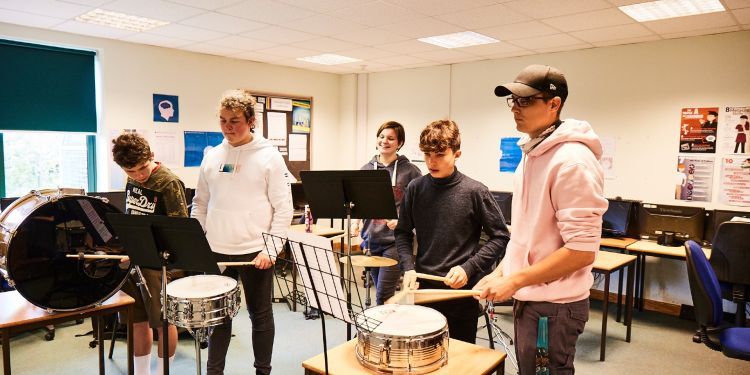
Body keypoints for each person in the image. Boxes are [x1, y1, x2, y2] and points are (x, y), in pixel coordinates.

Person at [477, 64, 607, 374]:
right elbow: (527, 235)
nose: (515, 109)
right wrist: (502, 272)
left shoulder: (572, 161)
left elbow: (581, 251)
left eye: (525, 101)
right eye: (513, 101)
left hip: (555, 308)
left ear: (554, 104)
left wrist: (515, 280)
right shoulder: (533, 154)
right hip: (532, 297)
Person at [191, 89, 293, 375]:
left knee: (259, 316)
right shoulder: (212, 156)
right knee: (219, 318)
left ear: (251, 121)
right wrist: (199, 243)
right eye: (223, 121)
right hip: (216, 250)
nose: (228, 127)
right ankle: (215, 372)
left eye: (234, 121)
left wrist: (271, 250)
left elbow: (284, 208)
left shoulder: (269, 156)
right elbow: (199, 203)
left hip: (255, 252)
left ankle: (263, 371)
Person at [394, 119, 509, 344]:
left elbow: (500, 237)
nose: (431, 161)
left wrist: (469, 268)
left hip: (459, 291)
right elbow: (403, 232)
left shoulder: (475, 191)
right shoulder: (416, 189)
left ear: (457, 154)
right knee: (424, 354)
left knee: (459, 359)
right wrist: (407, 267)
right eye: (427, 154)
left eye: (439, 155)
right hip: (423, 287)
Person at [111, 132, 189, 375]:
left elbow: (180, 232)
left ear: (151, 156)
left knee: (163, 323)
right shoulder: (131, 180)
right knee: (137, 321)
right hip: (135, 262)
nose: (139, 176)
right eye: (130, 171)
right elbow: (132, 220)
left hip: (159, 264)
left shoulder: (168, 182)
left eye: (142, 168)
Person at [352, 121, 421, 305]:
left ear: (399, 143)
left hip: (395, 242)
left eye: (391, 138)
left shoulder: (410, 171)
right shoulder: (366, 169)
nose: (385, 141)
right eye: (381, 137)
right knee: (382, 295)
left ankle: (385, 331)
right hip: (371, 240)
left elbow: (421, 205)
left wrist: (402, 221)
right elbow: (359, 201)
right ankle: (387, 328)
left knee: (383, 295)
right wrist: (356, 223)